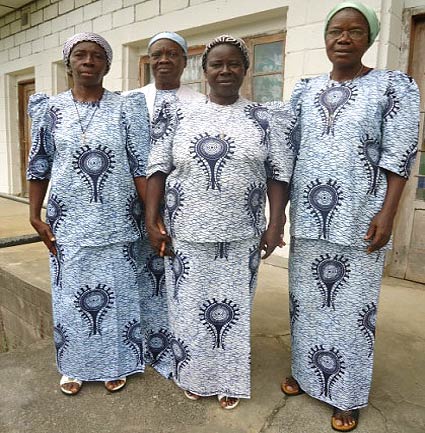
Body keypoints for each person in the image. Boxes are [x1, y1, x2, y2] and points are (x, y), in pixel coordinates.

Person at [280, 2, 419, 431]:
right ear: (325, 38)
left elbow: (399, 155)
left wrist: (388, 213)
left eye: (355, 31)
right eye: (335, 31)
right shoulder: (304, 90)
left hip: (361, 216)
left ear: (370, 38)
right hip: (309, 217)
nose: (343, 38)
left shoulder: (393, 87)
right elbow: (288, 154)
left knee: (354, 309)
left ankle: (347, 394)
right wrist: (279, 214)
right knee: (308, 305)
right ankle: (307, 374)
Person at [145, 34, 294, 409]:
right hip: (186, 232)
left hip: (241, 233)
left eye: (233, 64)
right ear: (205, 71)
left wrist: (276, 224)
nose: (225, 70)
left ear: (244, 69)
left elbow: (278, 174)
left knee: (232, 309)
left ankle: (229, 378)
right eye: (216, 64)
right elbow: (157, 169)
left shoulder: (264, 117)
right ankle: (195, 374)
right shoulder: (177, 114)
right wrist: (151, 220)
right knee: (189, 307)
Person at [27, 32, 151, 395]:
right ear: (69, 63)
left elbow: (140, 167)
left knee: (118, 295)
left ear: (108, 65)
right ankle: (75, 366)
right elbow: (39, 165)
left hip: (120, 220)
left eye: (97, 56)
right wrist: (35, 215)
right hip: (68, 222)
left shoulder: (127, 108)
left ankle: (117, 363)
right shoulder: (49, 110)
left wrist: (151, 216)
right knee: (71, 296)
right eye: (80, 55)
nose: (88, 61)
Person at [127, 31, 203, 119]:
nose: (164, 60)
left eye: (172, 54)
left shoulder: (200, 103)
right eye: (157, 55)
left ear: (185, 61)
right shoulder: (130, 100)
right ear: (150, 61)